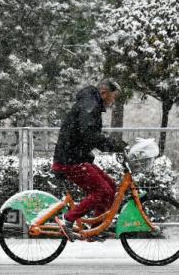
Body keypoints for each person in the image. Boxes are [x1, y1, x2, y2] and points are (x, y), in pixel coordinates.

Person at [52, 79, 127, 242]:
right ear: (104, 93)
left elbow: (89, 135)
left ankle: (95, 229)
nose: (113, 102)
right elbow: (89, 135)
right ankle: (68, 219)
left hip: (76, 157)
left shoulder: (91, 103)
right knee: (102, 191)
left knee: (111, 185)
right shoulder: (90, 105)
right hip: (69, 160)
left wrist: (111, 145)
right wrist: (112, 145)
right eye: (113, 97)